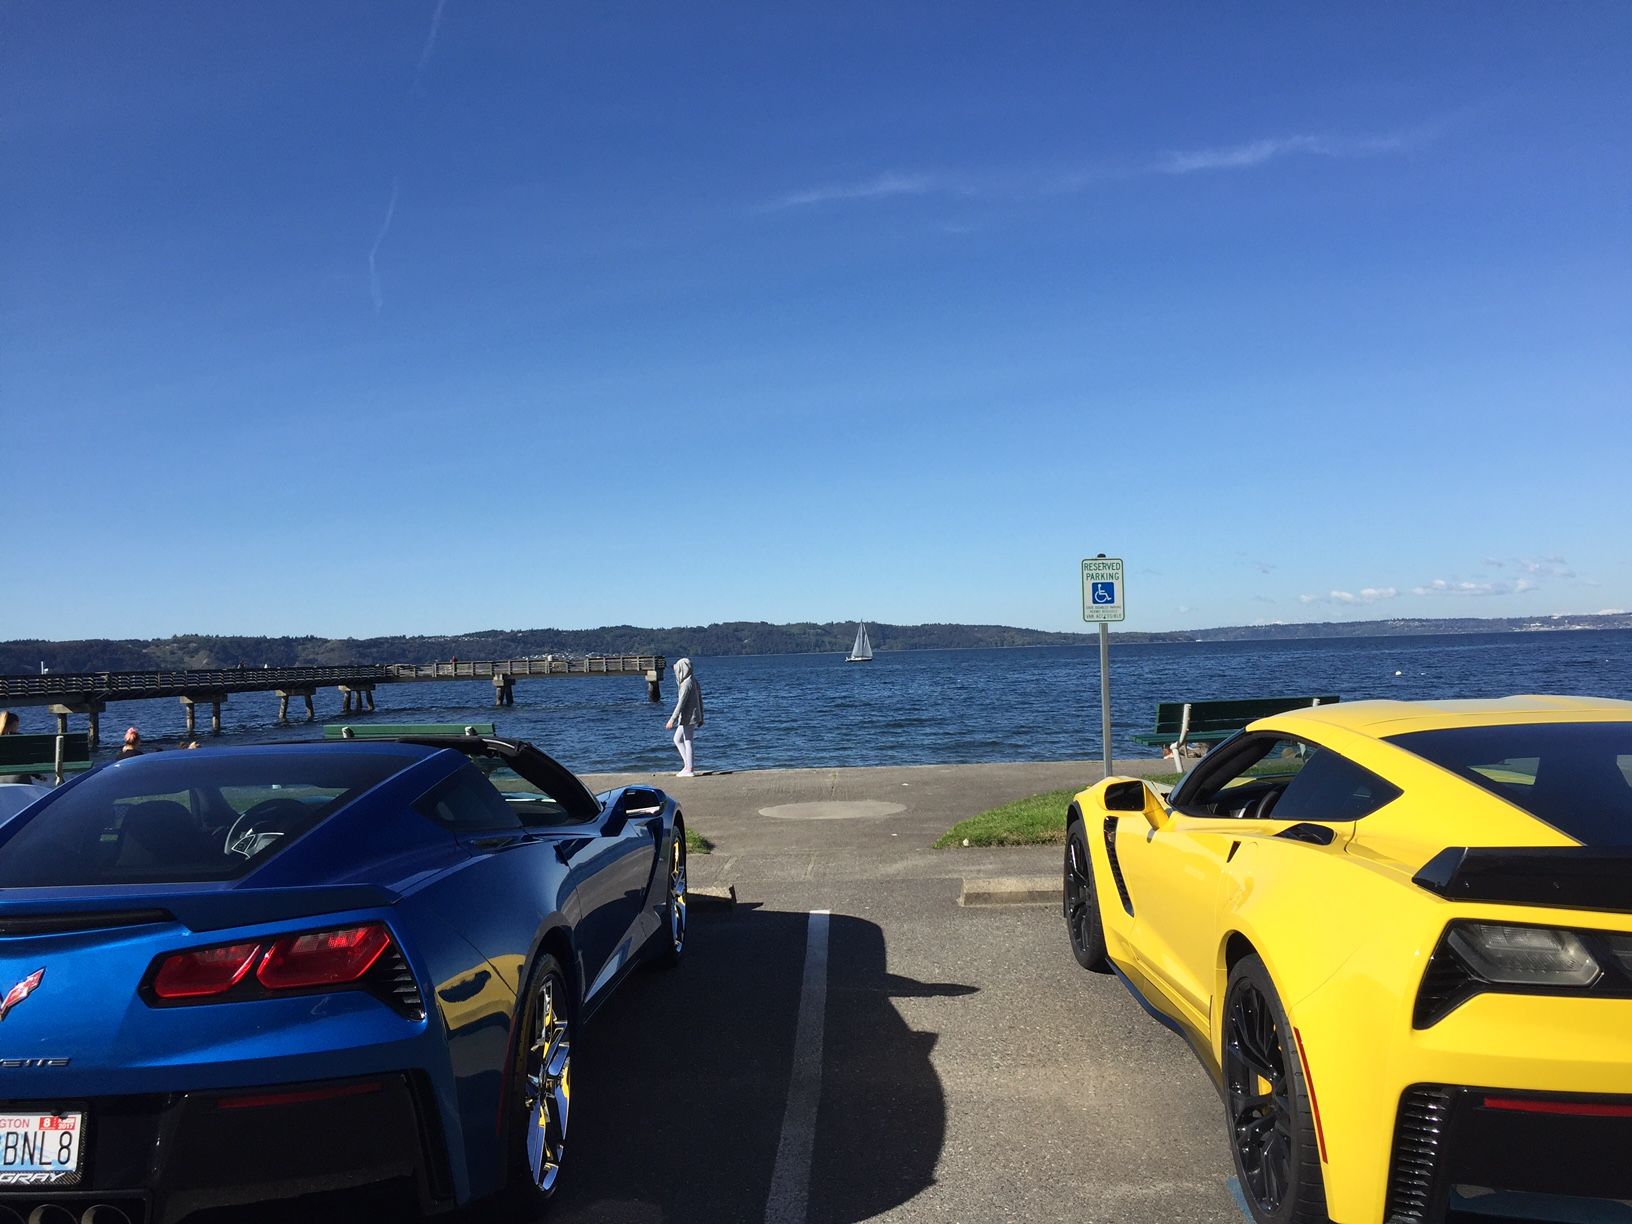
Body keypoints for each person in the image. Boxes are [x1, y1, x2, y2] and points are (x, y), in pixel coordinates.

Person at [663, 657, 704, 778]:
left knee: (688, 741)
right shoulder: (693, 681)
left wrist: (672, 719)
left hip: (688, 717)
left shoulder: (686, 684)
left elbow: (681, 703)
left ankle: (689, 769)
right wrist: (701, 717)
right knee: (677, 739)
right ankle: (687, 765)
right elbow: (700, 700)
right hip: (690, 717)